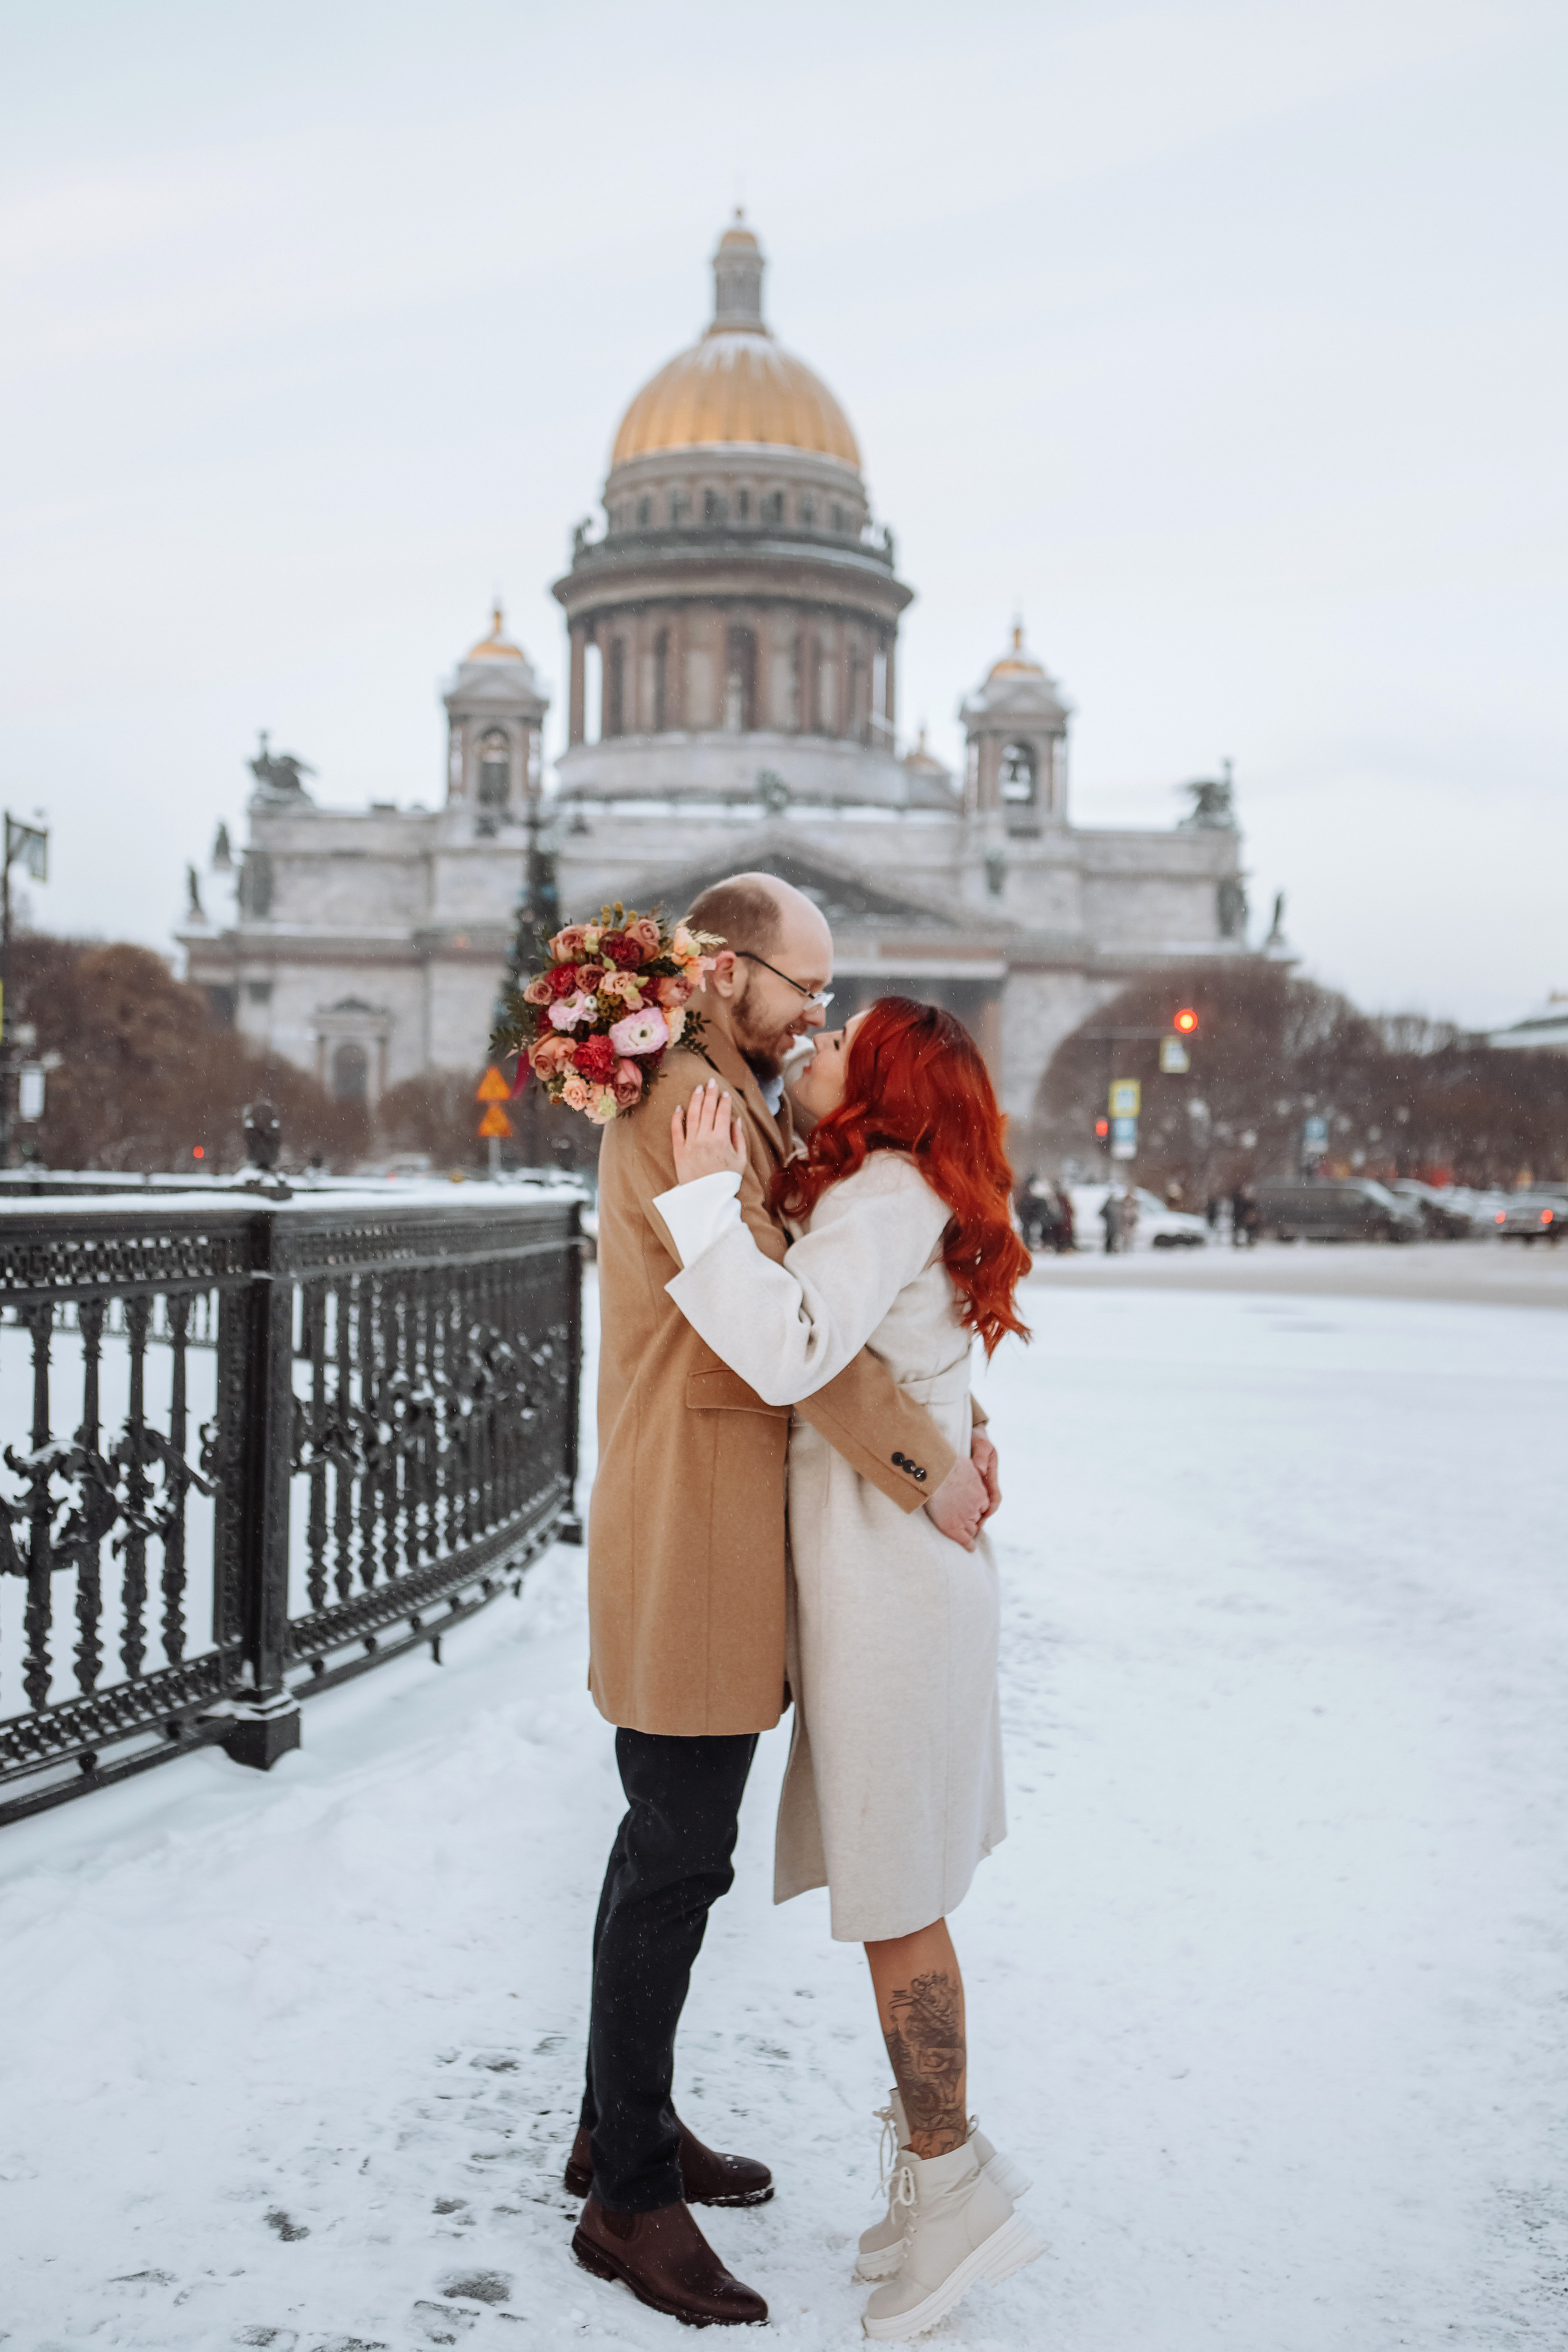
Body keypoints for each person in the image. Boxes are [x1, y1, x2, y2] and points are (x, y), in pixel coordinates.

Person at [568, 876, 999, 2329]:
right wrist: (927, 1458)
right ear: (726, 966)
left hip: (734, 1523)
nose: (818, 1014)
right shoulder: (680, 1103)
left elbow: (823, 1312)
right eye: (805, 991)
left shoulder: (717, 1088)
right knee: (676, 1856)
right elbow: (788, 1345)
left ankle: (617, 2123)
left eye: (834, 1010)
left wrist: (944, 1432)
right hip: (697, 1524)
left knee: (668, 1855)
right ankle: (627, 2191)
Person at [657, 998, 1044, 2340]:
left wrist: (706, 1205)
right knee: (904, 1884)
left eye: (841, 1042)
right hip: (905, 1588)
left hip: (893, 1600)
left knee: (895, 1897)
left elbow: (789, 1349)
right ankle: (947, 2172)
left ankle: (947, 2188)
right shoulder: (906, 1187)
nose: (811, 1050)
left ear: (883, 1086)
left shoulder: (881, 1191)